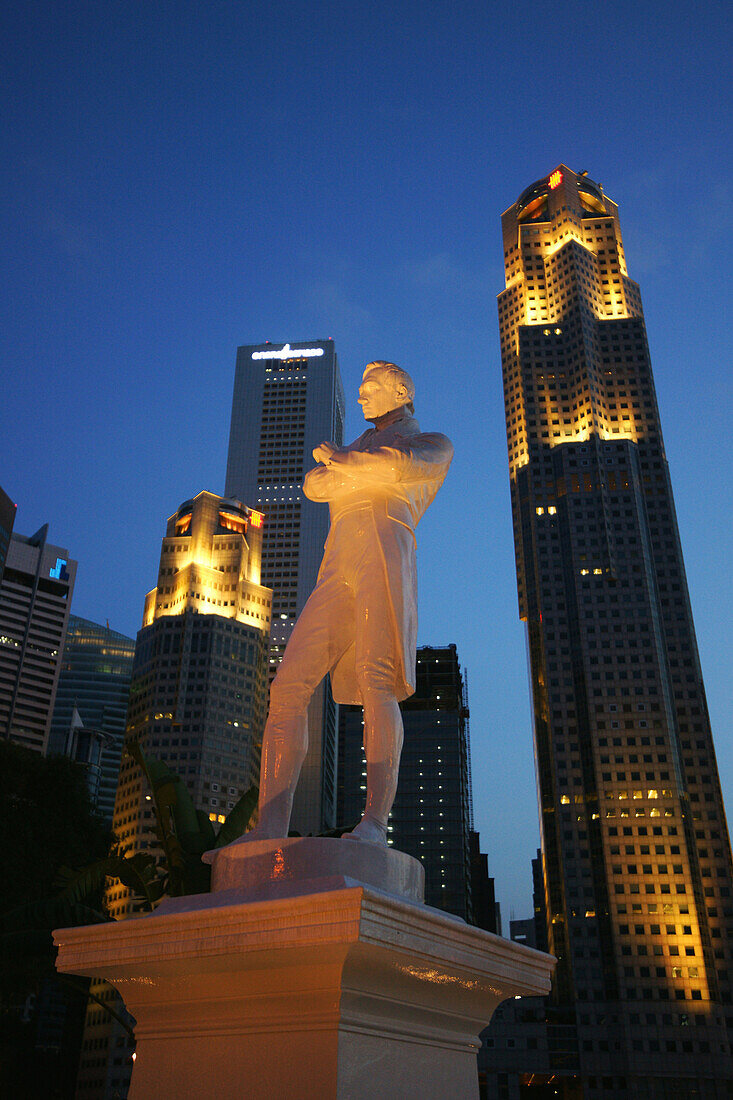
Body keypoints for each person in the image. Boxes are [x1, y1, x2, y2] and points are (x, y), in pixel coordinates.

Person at [246, 360, 453, 845]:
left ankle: (374, 824)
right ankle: (270, 826)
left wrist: (344, 463)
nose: (360, 397)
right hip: (337, 563)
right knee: (288, 685)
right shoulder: (357, 448)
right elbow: (315, 487)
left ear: (401, 390)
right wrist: (348, 465)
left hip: (384, 550)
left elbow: (393, 467)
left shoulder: (432, 443)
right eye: (358, 388)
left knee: (376, 678)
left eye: (370, 388)